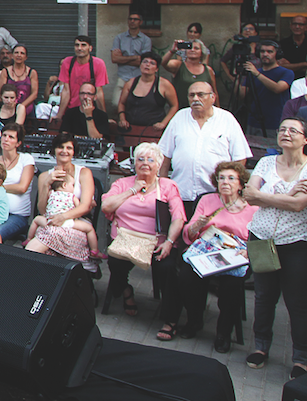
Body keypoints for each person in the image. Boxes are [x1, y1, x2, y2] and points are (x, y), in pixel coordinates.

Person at [244, 117, 307, 377]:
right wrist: (290, 194)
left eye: (293, 130)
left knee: (296, 301)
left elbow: (298, 206)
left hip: (295, 242)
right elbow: (249, 196)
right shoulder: (266, 162)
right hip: (261, 237)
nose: (286, 133)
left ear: (305, 138)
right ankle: (260, 347)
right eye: (282, 129)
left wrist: (266, 197)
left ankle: (301, 357)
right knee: (263, 296)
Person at [101, 142, 186, 338]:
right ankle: (126, 291)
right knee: (115, 262)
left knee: (168, 269)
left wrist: (170, 242)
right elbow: (107, 207)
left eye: (150, 160)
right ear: (134, 163)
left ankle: (170, 319)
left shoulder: (168, 186)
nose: (145, 163)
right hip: (125, 240)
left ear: (159, 164)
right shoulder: (123, 183)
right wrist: (133, 190)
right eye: (140, 159)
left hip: (157, 244)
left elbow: (178, 217)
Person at [176, 160, 255, 353]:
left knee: (231, 285)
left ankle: (223, 333)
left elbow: (259, 237)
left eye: (230, 178)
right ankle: (194, 321)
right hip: (207, 248)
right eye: (221, 178)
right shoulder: (207, 200)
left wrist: (249, 251)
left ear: (241, 183)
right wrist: (197, 225)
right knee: (187, 276)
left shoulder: (252, 207)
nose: (225, 182)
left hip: (235, 252)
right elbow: (189, 232)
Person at [159, 80, 251, 219]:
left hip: (215, 195)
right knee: (181, 234)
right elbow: (164, 155)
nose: (195, 99)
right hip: (182, 192)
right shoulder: (179, 117)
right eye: (192, 95)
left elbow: (239, 158)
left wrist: (231, 187)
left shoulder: (226, 119)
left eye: (201, 94)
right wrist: (163, 186)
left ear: (212, 97)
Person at [24, 133, 100, 271]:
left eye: (69, 148)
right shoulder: (44, 176)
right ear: (54, 151)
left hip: (76, 224)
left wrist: (63, 217)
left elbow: (86, 206)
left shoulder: (84, 173)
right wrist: (47, 184)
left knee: (47, 236)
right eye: (60, 147)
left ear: (73, 152)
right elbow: (42, 210)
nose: (64, 151)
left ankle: (26, 263)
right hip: (51, 222)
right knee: (48, 233)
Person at [116, 52, 178, 141]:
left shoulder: (164, 84)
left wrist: (163, 123)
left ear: (156, 69)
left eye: (152, 63)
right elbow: (122, 103)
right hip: (131, 131)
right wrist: (122, 119)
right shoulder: (130, 83)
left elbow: (174, 106)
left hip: (153, 132)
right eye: (145, 62)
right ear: (140, 65)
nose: (147, 65)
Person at [236, 40, 293, 134]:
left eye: (270, 52)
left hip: (275, 121)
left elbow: (278, 89)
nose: (265, 54)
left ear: (277, 54)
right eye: (262, 51)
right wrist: (237, 76)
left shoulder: (286, 72)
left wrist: (257, 74)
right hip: (254, 120)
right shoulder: (253, 72)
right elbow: (241, 95)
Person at [164, 38, 217, 113]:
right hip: (180, 110)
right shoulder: (178, 65)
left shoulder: (208, 70)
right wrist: (172, 51)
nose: (192, 50)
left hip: (202, 111)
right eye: (190, 48)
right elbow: (163, 63)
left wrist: (217, 110)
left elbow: (214, 91)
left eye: (196, 48)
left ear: (202, 52)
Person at [57, 35, 109, 111]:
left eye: (83, 45)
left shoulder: (98, 63)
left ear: (90, 48)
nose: (79, 48)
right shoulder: (67, 62)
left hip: (90, 109)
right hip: (71, 108)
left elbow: (99, 92)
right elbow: (66, 91)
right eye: (77, 45)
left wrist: (103, 116)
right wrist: (59, 115)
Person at [110, 11, 153, 85]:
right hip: (123, 77)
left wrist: (122, 58)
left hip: (139, 77)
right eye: (130, 19)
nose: (132, 21)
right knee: (117, 97)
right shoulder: (119, 38)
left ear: (141, 22)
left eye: (135, 19)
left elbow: (143, 61)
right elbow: (114, 59)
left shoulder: (146, 40)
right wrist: (135, 57)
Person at [0, 44, 39, 114]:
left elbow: (34, 94)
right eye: (16, 53)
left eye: (22, 53)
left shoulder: (32, 72)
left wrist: (21, 107)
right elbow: (1, 91)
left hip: (27, 109)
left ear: (26, 57)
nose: (19, 55)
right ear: (12, 56)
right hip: (9, 109)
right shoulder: (5, 71)